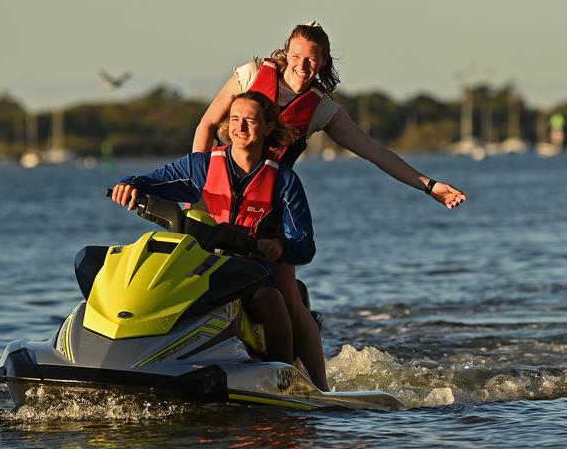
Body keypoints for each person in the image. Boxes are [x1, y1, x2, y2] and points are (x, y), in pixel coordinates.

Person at [192, 21, 468, 391]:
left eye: (311, 60)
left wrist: (429, 185)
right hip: (220, 197)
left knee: (287, 295)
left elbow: (375, 152)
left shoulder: (320, 108)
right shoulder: (250, 75)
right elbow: (208, 123)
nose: (301, 66)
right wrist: (198, 185)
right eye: (296, 56)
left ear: (322, 63)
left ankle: (317, 389)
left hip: (270, 207)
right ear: (285, 53)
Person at [112, 91, 315, 366]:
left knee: (272, 299)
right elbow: (149, 181)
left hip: (249, 273)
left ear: (268, 127)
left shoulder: (284, 181)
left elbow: (304, 246)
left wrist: (281, 247)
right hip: (199, 265)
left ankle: (283, 376)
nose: (240, 127)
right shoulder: (201, 166)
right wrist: (128, 184)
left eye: (250, 121)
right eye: (234, 119)